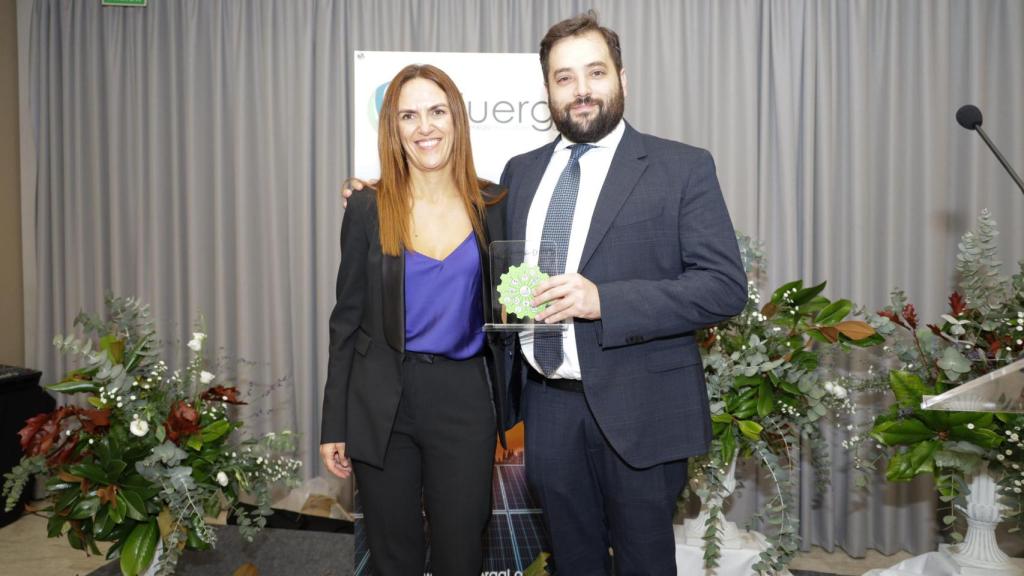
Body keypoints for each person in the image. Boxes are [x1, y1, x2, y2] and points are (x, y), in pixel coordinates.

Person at [342, 12, 746, 573]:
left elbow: (725, 287)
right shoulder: (520, 174)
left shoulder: (681, 168)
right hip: (548, 410)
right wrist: (372, 192)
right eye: (564, 78)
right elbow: (460, 241)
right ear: (548, 91)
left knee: (644, 561)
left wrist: (605, 300)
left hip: (640, 408)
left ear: (622, 80)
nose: (581, 91)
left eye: (595, 73)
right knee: (571, 560)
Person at [319, 63, 509, 576]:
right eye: (409, 115)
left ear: (456, 119)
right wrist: (333, 422)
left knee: (461, 551)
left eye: (435, 111)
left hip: (464, 397)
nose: (424, 127)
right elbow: (346, 320)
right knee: (391, 554)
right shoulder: (366, 208)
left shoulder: (493, 205)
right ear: (393, 129)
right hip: (383, 398)